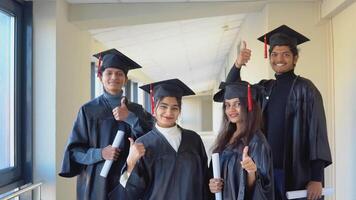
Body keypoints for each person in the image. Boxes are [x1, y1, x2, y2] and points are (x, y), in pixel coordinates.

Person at [226, 25, 332, 200]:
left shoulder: (306, 89)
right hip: (265, 169)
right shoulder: (264, 88)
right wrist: (238, 64)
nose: (279, 59)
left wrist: (316, 177)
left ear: (295, 58)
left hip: (296, 169)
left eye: (286, 54)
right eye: (274, 54)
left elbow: (317, 133)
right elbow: (231, 90)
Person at [59, 48, 154, 200]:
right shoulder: (88, 110)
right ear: (100, 76)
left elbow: (151, 141)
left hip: (129, 179)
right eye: (109, 73)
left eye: (119, 73)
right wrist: (100, 153)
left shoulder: (136, 110)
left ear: (125, 79)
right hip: (96, 183)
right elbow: (74, 152)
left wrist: (130, 118)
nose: (114, 77)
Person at [109, 78, 209, 200]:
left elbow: (205, 179)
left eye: (174, 108)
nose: (169, 112)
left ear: (179, 111)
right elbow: (132, 192)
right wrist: (130, 162)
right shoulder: (143, 143)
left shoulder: (193, 139)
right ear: (154, 109)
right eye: (163, 106)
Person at [209, 81, 274, 200]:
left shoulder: (257, 142)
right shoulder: (226, 137)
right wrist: (213, 185)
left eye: (237, 104)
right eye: (227, 105)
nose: (231, 110)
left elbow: (263, 188)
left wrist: (251, 171)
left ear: (249, 106)